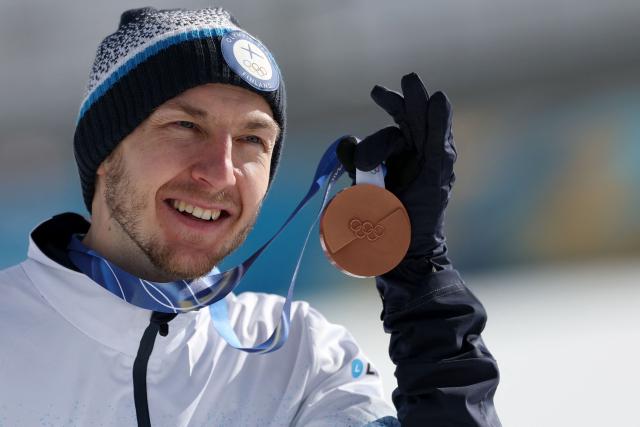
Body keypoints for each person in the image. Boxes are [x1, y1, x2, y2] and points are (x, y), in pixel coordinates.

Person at [0, 7, 501, 427]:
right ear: (105, 153)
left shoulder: (301, 361)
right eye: (184, 125)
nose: (219, 173)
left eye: (251, 140)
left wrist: (419, 277)